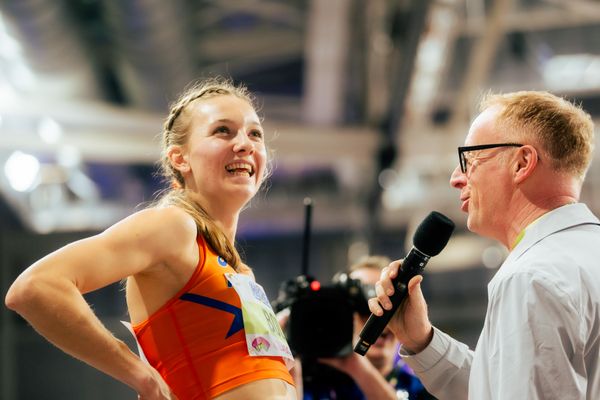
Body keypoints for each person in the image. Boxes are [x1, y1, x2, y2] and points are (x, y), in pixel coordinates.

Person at [5, 77, 298, 400]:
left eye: (254, 133)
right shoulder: (174, 226)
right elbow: (35, 287)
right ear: (179, 158)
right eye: (222, 131)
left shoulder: (241, 273)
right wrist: (141, 377)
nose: (245, 144)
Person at [369, 90, 600, 399]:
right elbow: (500, 387)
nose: (456, 178)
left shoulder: (532, 277)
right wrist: (422, 340)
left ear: (522, 162)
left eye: (470, 158)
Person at [303, 256, 435, 399]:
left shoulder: (425, 387)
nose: (378, 315)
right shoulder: (316, 384)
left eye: (392, 305)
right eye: (361, 304)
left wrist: (356, 365)